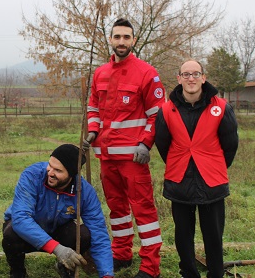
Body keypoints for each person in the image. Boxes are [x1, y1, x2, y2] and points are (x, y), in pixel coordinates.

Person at [83, 18, 164, 278]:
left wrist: (145, 143)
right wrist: (93, 130)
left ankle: (151, 267)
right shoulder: (100, 73)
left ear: (134, 41)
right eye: (117, 37)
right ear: (110, 39)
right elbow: (93, 107)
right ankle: (121, 254)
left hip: (133, 158)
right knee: (117, 210)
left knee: (144, 210)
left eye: (126, 37)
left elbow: (157, 115)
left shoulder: (147, 73)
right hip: (106, 156)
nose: (121, 42)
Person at [154, 60, 238, 278]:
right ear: (179, 78)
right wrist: (180, 162)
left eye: (195, 73)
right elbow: (163, 145)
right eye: (186, 74)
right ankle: (189, 273)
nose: (191, 78)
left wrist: (212, 164)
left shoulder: (221, 107)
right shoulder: (165, 110)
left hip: (212, 181)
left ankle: (216, 274)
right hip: (179, 180)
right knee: (183, 235)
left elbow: (230, 145)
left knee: (213, 235)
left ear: (203, 77)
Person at [2, 144, 114, 278]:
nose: (50, 172)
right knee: (11, 233)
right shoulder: (32, 175)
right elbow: (21, 218)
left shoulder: (84, 192)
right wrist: (57, 249)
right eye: (50, 165)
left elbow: (99, 234)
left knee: (84, 234)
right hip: (27, 233)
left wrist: (107, 274)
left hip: (58, 230)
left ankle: (65, 267)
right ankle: (18, 272)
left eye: (58, 170)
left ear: (71, 174)